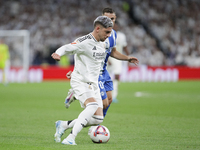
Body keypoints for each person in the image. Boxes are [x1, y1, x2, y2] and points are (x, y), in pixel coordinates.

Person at [65, 8, 139, 117]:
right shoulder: (97, 35)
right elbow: (83, 53)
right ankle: (85, 118)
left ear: (115, 19)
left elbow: (113, 52)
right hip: (95, 72)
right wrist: (78, 72)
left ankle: (97, 122)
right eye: (107, 18)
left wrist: (127, 58)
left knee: (109, 100)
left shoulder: (113, 35)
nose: (110, 21)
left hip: (104, 71)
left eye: (112, 19)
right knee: (97, 103)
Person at [51, 16, 113, 145]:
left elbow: (92, 64)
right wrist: (58, 53)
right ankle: (71, 138)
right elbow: (67, 47)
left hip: (93, 83)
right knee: (92, 105)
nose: (109, 35)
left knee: (97, 118)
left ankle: (63, 125)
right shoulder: (84, 42)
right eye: (107, 32)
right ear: (97, 29)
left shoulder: (104, 43)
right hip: (80, 81)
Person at [107, 21, 129, 103]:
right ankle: (106, 94)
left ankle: (114, 96)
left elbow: (125, 46)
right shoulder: (108, 35)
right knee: (107, 76)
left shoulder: (122, 36)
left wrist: (128, 57)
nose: (115, 26)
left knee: (117, 76)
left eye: (116, 25)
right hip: (109, 57)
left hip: (118, 58)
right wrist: (107, 59)